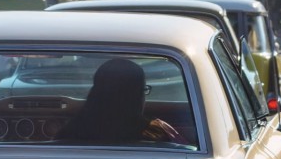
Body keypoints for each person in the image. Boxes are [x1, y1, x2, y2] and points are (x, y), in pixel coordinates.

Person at [55, 58, 187, 145]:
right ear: (135, 96)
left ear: (96, 92)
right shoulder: (155, 133)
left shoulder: (70, 132)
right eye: (143, 89)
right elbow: (185, 151)